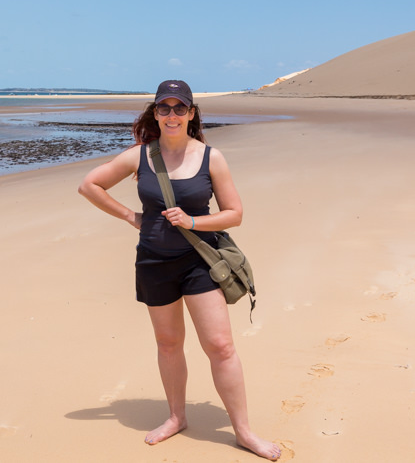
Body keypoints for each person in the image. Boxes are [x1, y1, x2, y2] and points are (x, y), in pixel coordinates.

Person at [78, 80, 281, 461]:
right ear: (155, 113)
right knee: (168, 344)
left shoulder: (210, 157)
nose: (172, 115)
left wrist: (191, 221)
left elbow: (234, 214)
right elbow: (89, 185)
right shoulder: (140, 156)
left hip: (197, 261)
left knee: (220, 346)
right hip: (154, 262)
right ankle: (176, 417)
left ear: (192, 114)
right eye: (164, 108)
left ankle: (244, 431)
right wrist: (130, 216)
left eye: (179, 108)